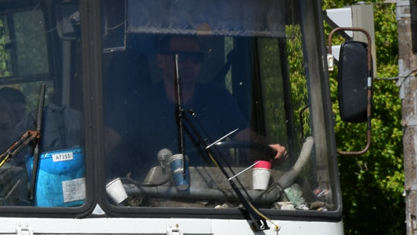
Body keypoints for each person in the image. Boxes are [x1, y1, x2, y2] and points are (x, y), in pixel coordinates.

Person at [107, 33, 285, 181]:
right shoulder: (138, 103)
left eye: (196, 58)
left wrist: (267, 148)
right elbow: (105, 142)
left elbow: (246, 138)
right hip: (151, 200)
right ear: (161, 60)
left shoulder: (218, 99)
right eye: (181, 57)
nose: (189, 64)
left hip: (215, 197)